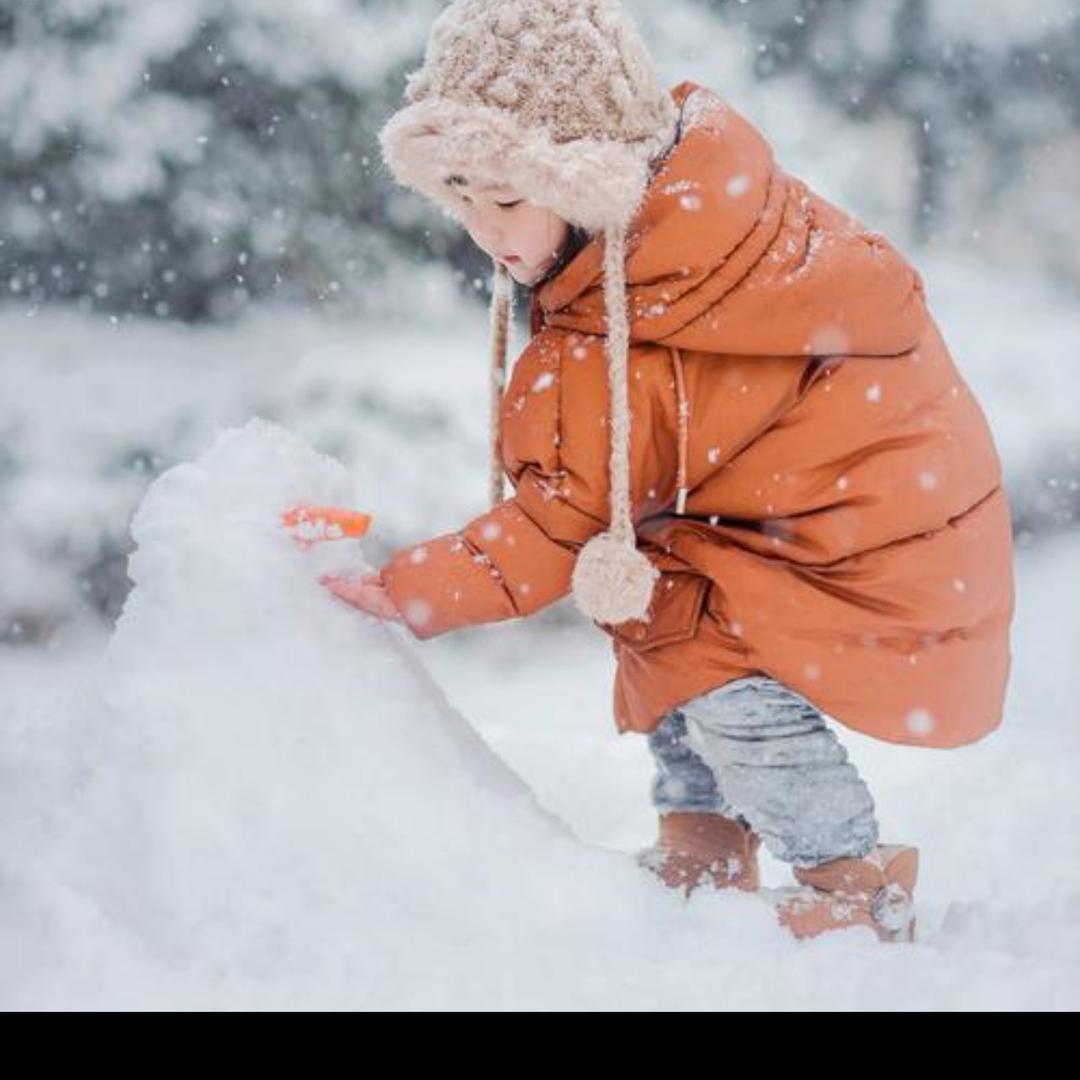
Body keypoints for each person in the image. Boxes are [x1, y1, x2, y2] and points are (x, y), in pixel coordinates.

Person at [320, 0, 1016, 944]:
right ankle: (705, 844)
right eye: (459, 191)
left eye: (510, 195)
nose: (482, 227)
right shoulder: (697, 220)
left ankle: (851, 878)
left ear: (590, 177)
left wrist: (405, 591)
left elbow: (555, 523)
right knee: (670, 614)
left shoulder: (633, 317)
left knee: (724, 665)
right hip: (888, 517)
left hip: (858, 537)